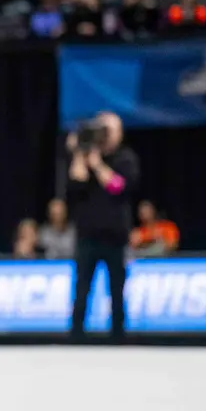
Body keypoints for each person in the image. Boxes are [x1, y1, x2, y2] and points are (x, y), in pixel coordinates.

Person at [65, 111, 139, 342]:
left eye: (110, 130)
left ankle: (118, 336)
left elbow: (119, 188)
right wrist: (80, 153)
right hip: (87, 235)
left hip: (115, 236)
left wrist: (97, 166)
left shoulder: (125, 158)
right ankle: (76, 335)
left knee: (116, 290)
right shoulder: (84, 157)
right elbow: (75, 186)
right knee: (81, 288)